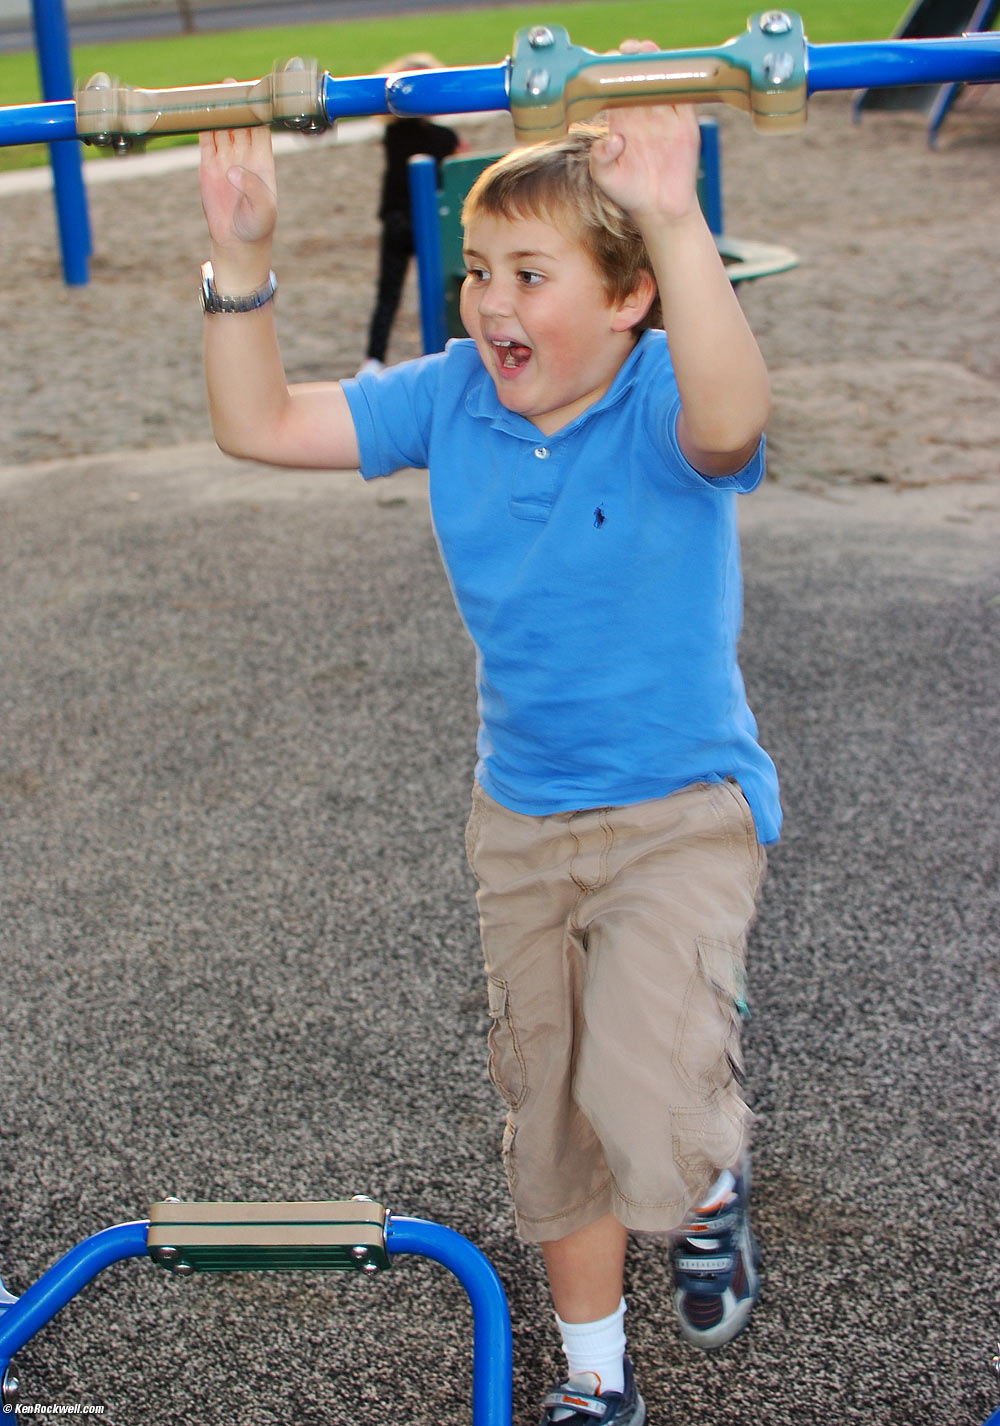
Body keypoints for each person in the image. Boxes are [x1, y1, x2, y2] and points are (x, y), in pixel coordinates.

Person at [197, 36, 780, 1423]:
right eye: (478, 271)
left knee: (646, 1097)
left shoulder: (655, 398)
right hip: (521, 818)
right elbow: (260, 422)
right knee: (554, 1121)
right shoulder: (455, 392)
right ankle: (596, 1382)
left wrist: (677, 213)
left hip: (678, 806)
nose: (492, 302)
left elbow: (735, 412)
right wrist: (242, 261)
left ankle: (705, 1167)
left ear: (630, 298)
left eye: (532, 278)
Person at [357, 53, 463, 376]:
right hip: (429, 223)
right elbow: (458, 173)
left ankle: (373, 359)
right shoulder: (444, 138)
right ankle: (443, 349)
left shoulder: (393, 134)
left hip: (395, 220)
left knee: (388, 293)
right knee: (439, 287)